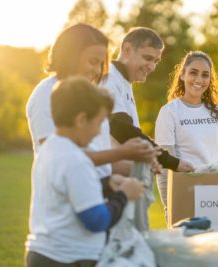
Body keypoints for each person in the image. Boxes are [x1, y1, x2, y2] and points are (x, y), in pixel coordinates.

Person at [25, 77, 145, 267]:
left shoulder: (50, 149)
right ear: (81, 120)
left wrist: (106, 184)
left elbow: (66, 192)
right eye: (99, 123)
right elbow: (96, 220)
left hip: (43, 255)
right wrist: (124, 194)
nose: (99, 133)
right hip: (67, 259)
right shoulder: (76, 160)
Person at [26, 23, 156, 180]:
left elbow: (100, 161)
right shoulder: (47, 93)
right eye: (93, 61)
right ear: (71, 55)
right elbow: (60, 156)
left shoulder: (90, 97)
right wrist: (121, 153)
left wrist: (141, 168)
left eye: (102, 64)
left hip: (94, 196)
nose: (97, 70)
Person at [102, 26, 192, 173]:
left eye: (156, 61)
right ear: (126, 49)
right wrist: (170, 161)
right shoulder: (109, 79)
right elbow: (122, 129)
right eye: (148, 58)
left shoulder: (124, 81)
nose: (152, 67)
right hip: (110, 178)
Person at [154, 51, 218, 207]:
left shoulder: (217, 112)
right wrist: (169, 207)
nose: (199, 79)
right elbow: (164, 166)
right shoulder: (169, 112)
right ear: (182, 75)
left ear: (210, 80)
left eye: (205, 75)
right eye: (193, 73)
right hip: (186, 195)